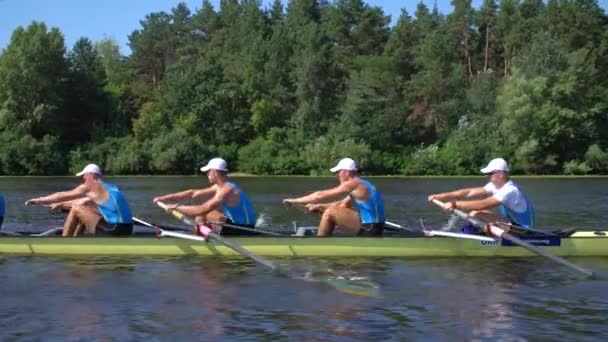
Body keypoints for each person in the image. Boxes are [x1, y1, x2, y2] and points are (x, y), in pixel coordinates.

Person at [427, 158, 535, 234]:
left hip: (522, 229)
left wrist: (454, 204)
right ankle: (470, 234)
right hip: (511, 223)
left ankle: (468, 237)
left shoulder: (510, 190)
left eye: (490, 174)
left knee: (476, 214)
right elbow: (468, 193)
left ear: (501, 174)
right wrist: (440, 196)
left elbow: (483, 204)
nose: (488, 177)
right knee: (474, 213)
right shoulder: (495, 186)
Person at [153, 158, 257, 236]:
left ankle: (200, 237)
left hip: (245, 229)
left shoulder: (228, 189)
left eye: (208, 171)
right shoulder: (219, 186)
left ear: (215, 172)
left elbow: (202, 209)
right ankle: (201, 233)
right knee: (202, 216)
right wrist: (163, 198)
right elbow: (192, 193)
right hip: (234, 224)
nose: (207, 174)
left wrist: (176, 207)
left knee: (202, 214)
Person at [283, 158, 385, 237]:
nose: (337, 175)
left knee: (330, 212)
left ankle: (319, 244)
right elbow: (342, 205)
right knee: (331, 209)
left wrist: (294, 201)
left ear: (346, 172)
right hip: (373, 226)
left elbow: (319, 195)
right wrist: (318, 206)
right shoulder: (361, 185)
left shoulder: (353, 183)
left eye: (338, 172)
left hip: (371, 228)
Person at [25, 164, 133, 237]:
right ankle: (77, 239)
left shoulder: (90, 186)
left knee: (76, 209)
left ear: (90, 175)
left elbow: (61, 195)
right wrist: (60, 204)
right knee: (82, 209)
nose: (82, 179)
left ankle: (64, 243)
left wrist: (39, 200)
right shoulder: (111, 187)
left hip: (114, 230)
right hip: (128, 229)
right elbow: (82, 202)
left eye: (84, 176)